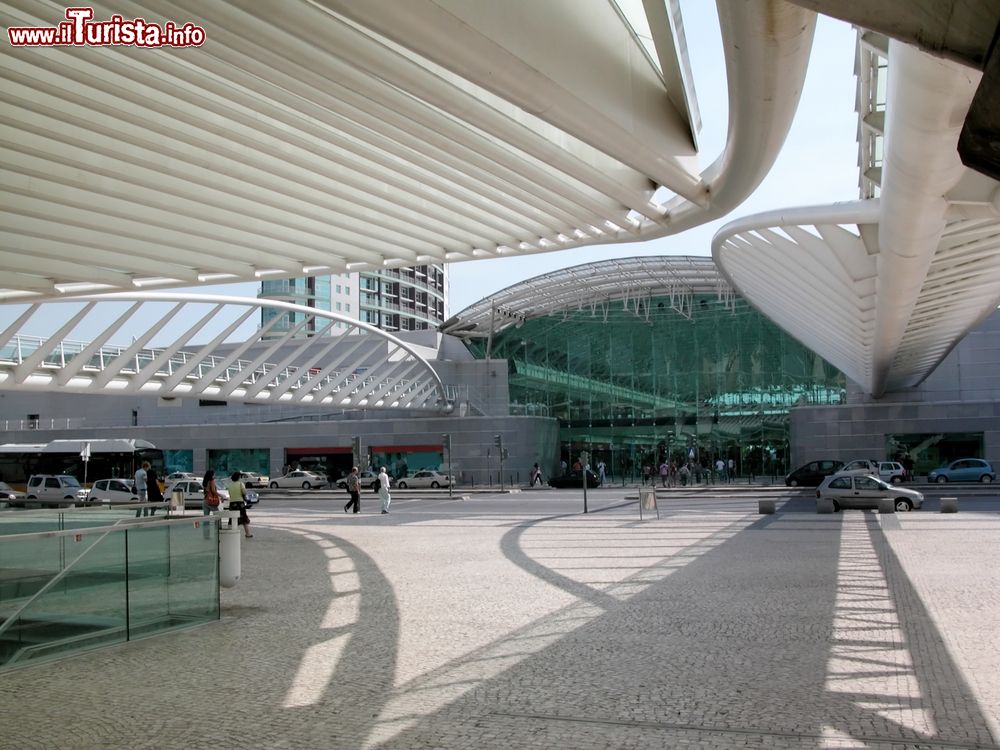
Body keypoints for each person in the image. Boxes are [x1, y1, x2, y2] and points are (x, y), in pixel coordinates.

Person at [229, 472, 253, 537]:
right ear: (238, 477)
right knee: (244, 518)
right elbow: (244, 492)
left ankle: (232, 533)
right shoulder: (240, 484)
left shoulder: (230, 485)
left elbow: (230, 494)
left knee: (233, 518)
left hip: (232, 503)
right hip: (240, 503)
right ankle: (247, 533)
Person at [202, 469, 222, 539]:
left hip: (205, 500)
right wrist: (221, 495)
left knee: (206, 519)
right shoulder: (211, 481)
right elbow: (213, 491)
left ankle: (206, 535)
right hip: (211, 501)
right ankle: (217, 534)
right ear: (211, 475)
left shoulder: (205, 482)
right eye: (214, 474)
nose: (215, 475)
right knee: (217, 517)